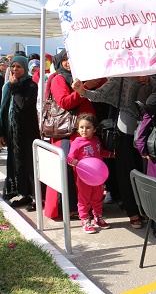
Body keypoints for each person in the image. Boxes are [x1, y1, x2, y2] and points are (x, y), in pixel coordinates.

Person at [72, 75, 156, 228]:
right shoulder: (120, 75)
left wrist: (151, 81)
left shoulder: (154, 72)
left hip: (151, 128)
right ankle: (132, 212)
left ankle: (148, 210)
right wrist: (82, 91)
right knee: (126, 170)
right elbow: (99, 95)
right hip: (126, 128)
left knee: (148, 171)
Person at [44, 49, 95, 220]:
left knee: (84, 170)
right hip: (67, 132)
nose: (67, 63)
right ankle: (70, 207)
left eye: (71, 59)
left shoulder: (82, 76)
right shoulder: (58, 78)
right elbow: (65, 102)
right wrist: (85, 90)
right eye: (64, 60)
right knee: (69, 168)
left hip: (83, 130)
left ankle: (85, 206)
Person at [0, 56, 41, 210]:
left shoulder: (30, 85)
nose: (15, 69)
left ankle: (35, 198)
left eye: (18, 66)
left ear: (25, 68)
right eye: (13, 66)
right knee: (17, 164)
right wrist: (2, 132)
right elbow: (3, 109)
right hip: (13, 133)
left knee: (29, 166)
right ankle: (23, 193)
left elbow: (22, 104)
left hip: (28, 133)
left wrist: (14, 87)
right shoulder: (7, 86)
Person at [68, 114, 113, 234]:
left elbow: (100, 152)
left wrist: (110, 154)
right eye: (81, 127)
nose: (84, 130)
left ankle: (98, 217)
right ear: (78, 129)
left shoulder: (96, 140)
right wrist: (73, 162)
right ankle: (85, 220)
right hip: (84, 178)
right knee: (84, 200)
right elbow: (69, 157)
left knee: (97, 198)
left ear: (94, 129)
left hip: (98, 178)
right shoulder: (77, 142)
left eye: (88, 127)